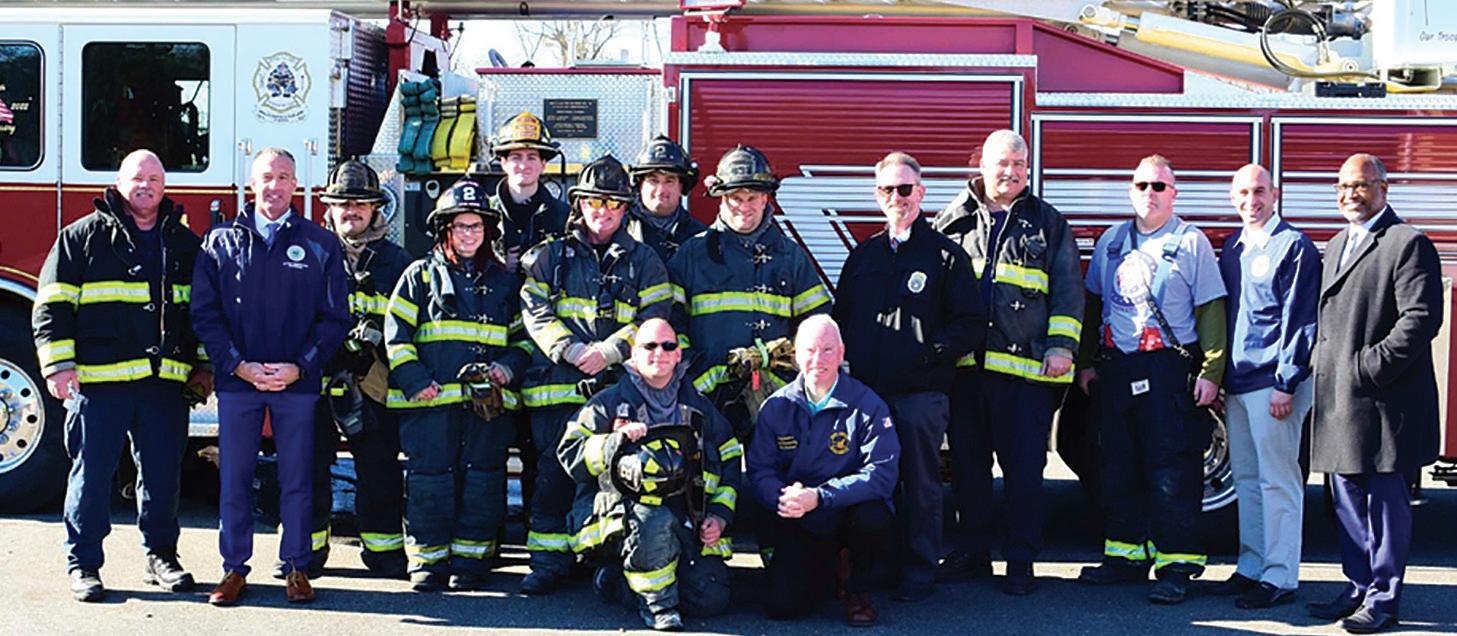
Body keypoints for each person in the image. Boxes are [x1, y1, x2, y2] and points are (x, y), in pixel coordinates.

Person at [33, 149, 210, 602]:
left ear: (165, 187)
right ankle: (83, 564)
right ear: (118, 183)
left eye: (154, 179)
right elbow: (51, 306)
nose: (146, 186)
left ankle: (161, 557)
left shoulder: (185, 245)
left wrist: (204, 367)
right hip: (100, 384)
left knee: (163, 478)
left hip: (163, 385)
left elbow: (205, 314)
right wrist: (58, 365)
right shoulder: (81, 238)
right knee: (91, 477)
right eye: (137, 178)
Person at [191, 147, 351, 605]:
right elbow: (204, 313)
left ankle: (297, 567)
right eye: (266, 176)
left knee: (297, 478)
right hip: (238, 382)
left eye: (283, 177)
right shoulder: (219, 241)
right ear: (251, 183)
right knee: (235, 478)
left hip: (296, 384)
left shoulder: (320, 244)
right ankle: (233, 569)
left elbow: (335, 318)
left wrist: (300, 366)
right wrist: (236, 364)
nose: (274, 186)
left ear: (296, 185)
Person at [933, 130, 1083, 595]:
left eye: (1020, 163)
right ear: (982, 164)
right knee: (968, 471)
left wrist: (1062, 347)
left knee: (1024, 475)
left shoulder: (1048, 223)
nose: (1012, 171)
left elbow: (1068, 291)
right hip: (966, 374)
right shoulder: (952, 220)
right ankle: (973, 553)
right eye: (1003, 162)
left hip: (1024, 376)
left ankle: (1021, 561)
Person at [1075, 155, 1226, 604]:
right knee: (1117, 465)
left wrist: (1211, 371)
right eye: (1142, 185)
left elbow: (1211, 310)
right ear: (1130, 191)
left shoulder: (1191, 242)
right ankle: (1125, 557)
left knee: (1172, 470)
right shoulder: (1112, 241)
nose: (1149, 193)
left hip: (1167, 370)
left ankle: (1177, 565)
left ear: (1173, 194)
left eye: (1159, 186)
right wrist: (1086, 362)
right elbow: (1093, 305)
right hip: (1117, 369)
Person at [518, 155, 673, 595]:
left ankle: (599, 562)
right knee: (551, 478)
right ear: (579, 204)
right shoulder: (551, 256)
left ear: (625, 208)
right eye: (593, 202)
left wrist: (609, 352)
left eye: (612, 203)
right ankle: (548, 563)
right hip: (555, 388)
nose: (602, 211)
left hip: (615, 392)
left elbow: (656, 316)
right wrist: (569, 349)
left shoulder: (646, 261)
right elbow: (534, 308)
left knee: (612, 479)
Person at [833, 151, 982, 601]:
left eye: (904, 188)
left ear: (921, 192)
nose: (896, 197)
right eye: (887, 190)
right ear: (877, 196)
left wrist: (928, 355)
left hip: (921, 395)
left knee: (921, 484)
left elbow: (970, 323)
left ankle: (920, 569)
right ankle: (878, 565)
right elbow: (842, 319)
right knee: (872, 483)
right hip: (868, 395)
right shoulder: (863, 256)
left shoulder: (945, 256)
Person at [1305, 153, 1442, 634]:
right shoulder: (1337, 242)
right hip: (1341, 402)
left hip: (1384, 404)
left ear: (1384, 188)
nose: (1350, 195)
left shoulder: (1407, 243)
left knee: (1384, 508)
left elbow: (1420, 319)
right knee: (1345, 501)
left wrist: (1367, 367)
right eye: (1343, 186)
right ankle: (1357, 587)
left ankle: (1383, 599)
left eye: (1361, 185)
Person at [384, 178, 529, 592]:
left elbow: (523, 341)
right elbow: (397, 336)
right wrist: (415, 381)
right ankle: (428, 562)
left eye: (476, 226)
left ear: (488, 231)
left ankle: (471, 562)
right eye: (461, 226)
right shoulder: (418, 277)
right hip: (429, 407)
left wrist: (506, 369)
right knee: (429, 481)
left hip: (487, 408)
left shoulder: (504, 284)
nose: (469, 234)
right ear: (445, 230)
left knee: (483, 480)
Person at [558, 318, 739, 631]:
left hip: (685, 514)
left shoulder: (698, 406)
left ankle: (617, 581)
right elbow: (569, 452)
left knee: (710, 597)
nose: (659, 353)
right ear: (633, 354)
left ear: (678, 354)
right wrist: (614, 442)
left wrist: (719, 516)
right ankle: (658, 606)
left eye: (668, 346)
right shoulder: (610, 402)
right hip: (625, 515)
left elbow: (731, 455)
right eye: (649, 346)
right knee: (653, 519)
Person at [292, 159, 413, 580]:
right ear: (329, 207)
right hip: (315, 380)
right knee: (306, 466)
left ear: (376, 207)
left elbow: (408, 324)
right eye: (343, 203)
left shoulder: (398, 262)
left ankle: (384, 553)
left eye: (360, 203)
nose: (351, 211)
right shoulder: (306, 255)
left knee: (379, 468)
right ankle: (304, 554)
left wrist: (373, 341)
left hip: (373, 381)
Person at [667, 145, 832, 440]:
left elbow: (818, 327)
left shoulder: (790, 257)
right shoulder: (692, 255)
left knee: (776, 468)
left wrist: (783, 362)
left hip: (778, 399)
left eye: (752, 198)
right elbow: (670, 327)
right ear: (721, 198)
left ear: (765, 198)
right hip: (707, 399)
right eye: (735, 198)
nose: (744, 206)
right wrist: (698, 377)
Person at [1211, 164, 1320, 609]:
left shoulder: (1293, 246)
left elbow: (1301, 320)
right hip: (1239, 384)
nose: (1250, 201)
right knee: (1247, 480)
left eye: (1259, 191)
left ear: (1275, 194)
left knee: (1279, 482)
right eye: (1242, 192)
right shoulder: (1233, 248)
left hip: (1273, 385)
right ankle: (1252, 566)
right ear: (1232, 197)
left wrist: (1286, 383)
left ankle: (1280, 577)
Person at [749, 315, 900, 626]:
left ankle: (858, 588)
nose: (818, 360)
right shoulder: (776, 407)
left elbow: (882, 474)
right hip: (801, 516)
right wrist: (782, 498)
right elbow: (760, 468)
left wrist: (820, 496)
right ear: (795, 355)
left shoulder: (868, 405)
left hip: (847, 511)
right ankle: (829, 572)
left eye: (828, 350)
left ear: (842, 353)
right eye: (809, 350)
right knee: (782, 607)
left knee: (874, 517)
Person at [487, 111, 570, 271]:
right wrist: (498, 267)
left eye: (531, 157)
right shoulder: (485, 213)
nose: (524, 165)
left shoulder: (563, 216)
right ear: (503, 162)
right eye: (516, 157)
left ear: (543, 164)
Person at [625, 135, 707, 262]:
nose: (661, 190)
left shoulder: (701, 238)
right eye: (653, 180)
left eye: (669, 181)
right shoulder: (620, 232)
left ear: (681, 187)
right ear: (640, 185)